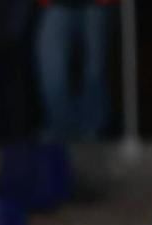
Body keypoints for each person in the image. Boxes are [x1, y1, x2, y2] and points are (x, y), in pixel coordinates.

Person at [34, 0, 115, 143]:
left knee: (95, 65)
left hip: (97, 4)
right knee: (49, 63)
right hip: (57, 4)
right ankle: (62, 124)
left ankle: (91, 127)